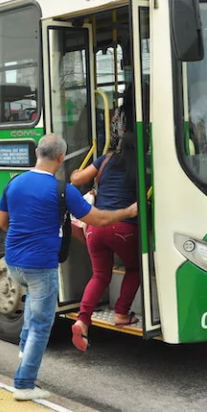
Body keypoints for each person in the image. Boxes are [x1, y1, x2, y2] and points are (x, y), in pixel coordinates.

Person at [0, 133, 138, 401]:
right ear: (61, 158)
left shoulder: (13, 184)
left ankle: (24, 347)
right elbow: (97, 218)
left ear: (37, 151)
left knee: (31, 303)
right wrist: (128, 213)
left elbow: (1, 222)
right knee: (41, 324)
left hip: (13, 262)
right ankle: (24, 384)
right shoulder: (62, 190)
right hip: (41, 265)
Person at [69, 132, 140, 351]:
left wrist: (74, 172)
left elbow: (77, 179)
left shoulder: (106, 159)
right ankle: (121, 313)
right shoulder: (143, 162)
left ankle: (82, 320)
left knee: (100, 275)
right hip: (124, 226)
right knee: (135, 269)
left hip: (95, 226)